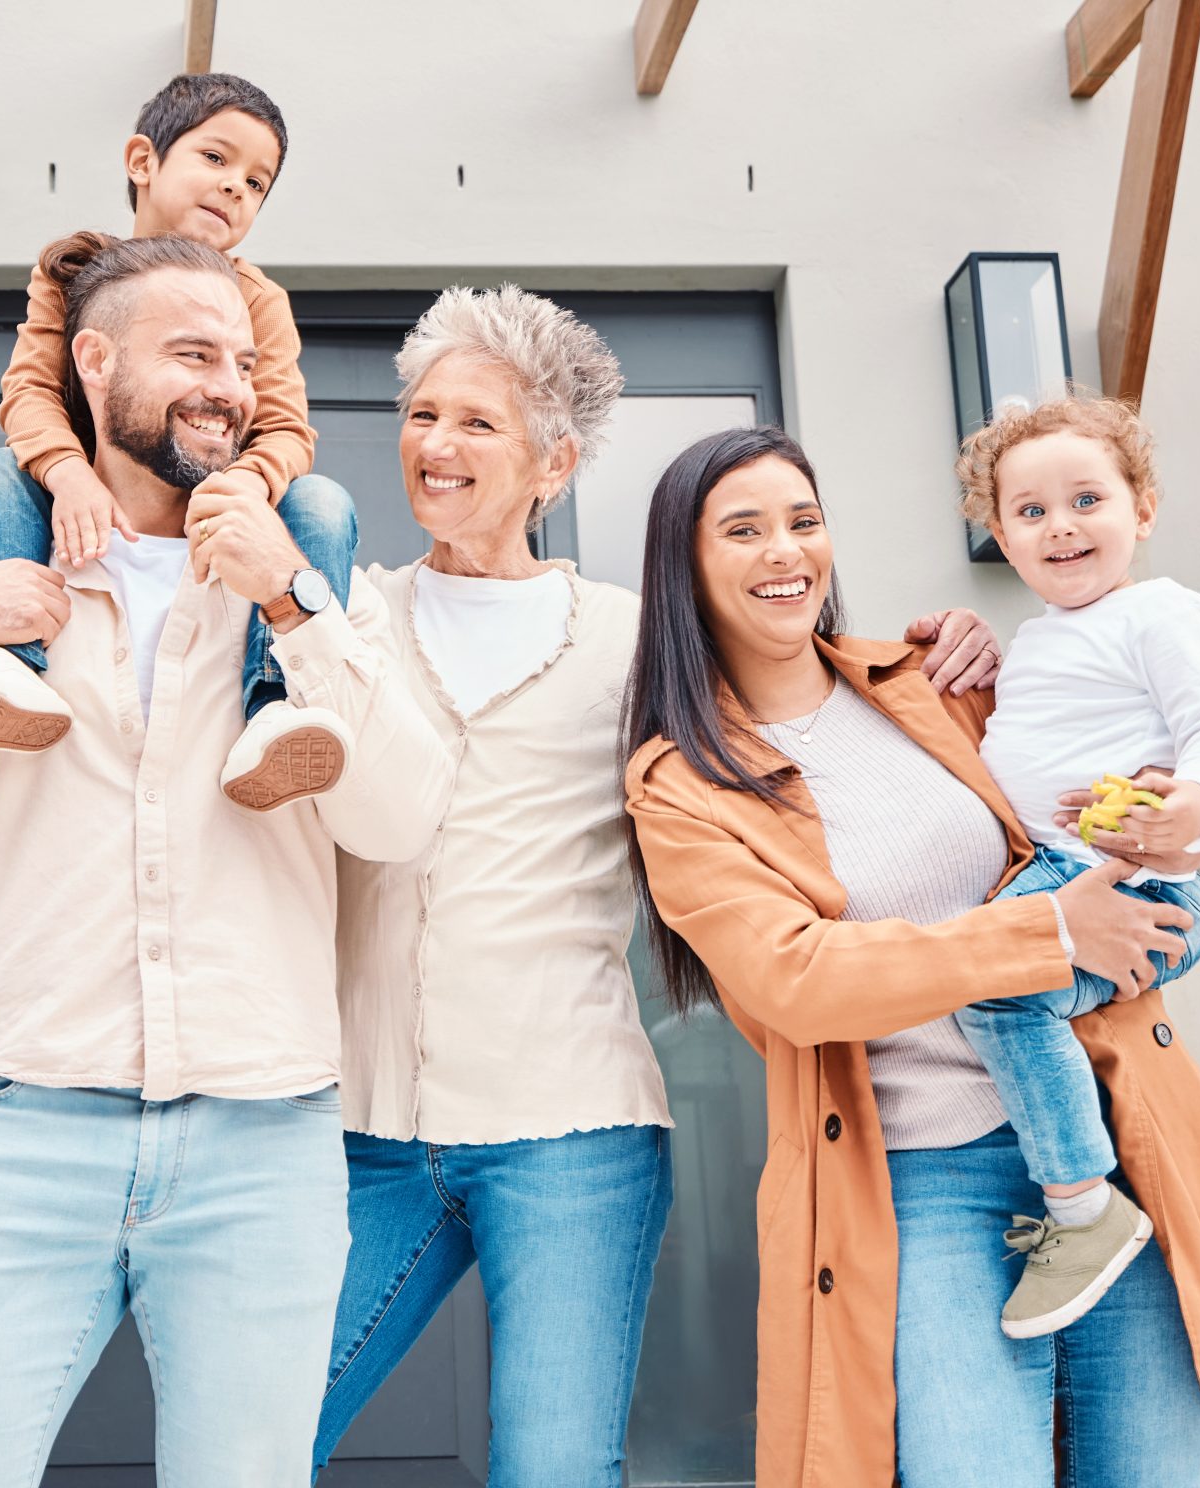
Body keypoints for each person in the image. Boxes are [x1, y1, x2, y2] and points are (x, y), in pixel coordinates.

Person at [315, 288, 1004, 1484]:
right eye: (422, 416)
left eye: (478, 423)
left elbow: (810, 702)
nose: (436, 445)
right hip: (367, 1126)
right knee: (252, 1432)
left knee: (556, 1469)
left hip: (571, 1127)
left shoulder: (635, 642)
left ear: (554, 461)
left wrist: (952, 664)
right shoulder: (340, 616)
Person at [622, 425, 1200, 1486]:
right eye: (743, 530)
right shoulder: (681, 782)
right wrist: (1042, 934)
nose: (784, 552)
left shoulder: (929, 682)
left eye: (803, 523)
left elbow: (1111, 799)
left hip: (1114, 1133)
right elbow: (797, 979)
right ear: (684, 564)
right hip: (926, 1182)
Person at [0, 233, 448, 1487]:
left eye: (240, 361)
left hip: (264, 1140)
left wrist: (294, 605)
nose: (228, 385)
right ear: (92, 359)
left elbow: (396, 825)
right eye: (192, 353)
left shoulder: (320, 577)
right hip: (19, 1128)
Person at [0, 71, 361, 811]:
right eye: (216, 159)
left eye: (257, 181)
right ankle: (9, 666)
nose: (235, 188)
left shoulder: (261, 300)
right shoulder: (76, 272)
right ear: (142, 160)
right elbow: (25, 392)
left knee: (321, 500)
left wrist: (246, 488)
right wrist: (67, 476)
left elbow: (283, 426)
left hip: (214, 499)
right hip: (96, 493)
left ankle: (279, 705)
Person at [948, 393, 1200, 1340]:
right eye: (1031, 511)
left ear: (1144, 509)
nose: (1062, 526)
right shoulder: (1045, 636)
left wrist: (1192, 815)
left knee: (996, 988)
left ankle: (1085, 1209)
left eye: (1087, 499)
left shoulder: (1161, 614)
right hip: (1071, 869)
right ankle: (1081, 1192)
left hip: (1139, 880)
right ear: (1001, 533)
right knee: (994, 984)